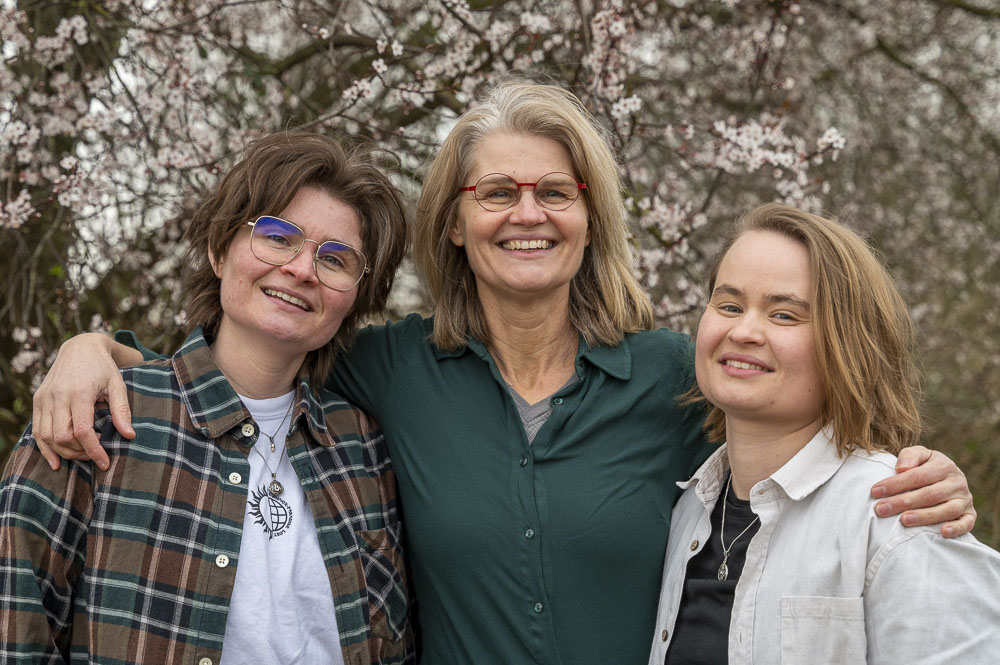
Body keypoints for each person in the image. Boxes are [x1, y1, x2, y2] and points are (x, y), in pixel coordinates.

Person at [27, 84, 976, 665]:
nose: (528, 212)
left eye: (554, 191)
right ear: (453, 218)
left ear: (588, 216)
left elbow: (797, 426)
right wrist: (98, 351)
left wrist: (912, 470)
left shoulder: (673, 375)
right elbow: (255, 350)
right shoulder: (385, 371)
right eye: (497, 191)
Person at [0, 131, 413, 664]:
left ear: (354, 298)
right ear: (220, 250)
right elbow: (17, 636)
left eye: (335, 259)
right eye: (279, 236)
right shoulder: (94, 420)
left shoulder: (363, 448)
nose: (303, 269)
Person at [648, 203, 1000, 665]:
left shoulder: (901, 520)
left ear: (846, 344)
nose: (744, 330)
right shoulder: (686, 512)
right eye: (729, 305)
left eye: (784, 315)